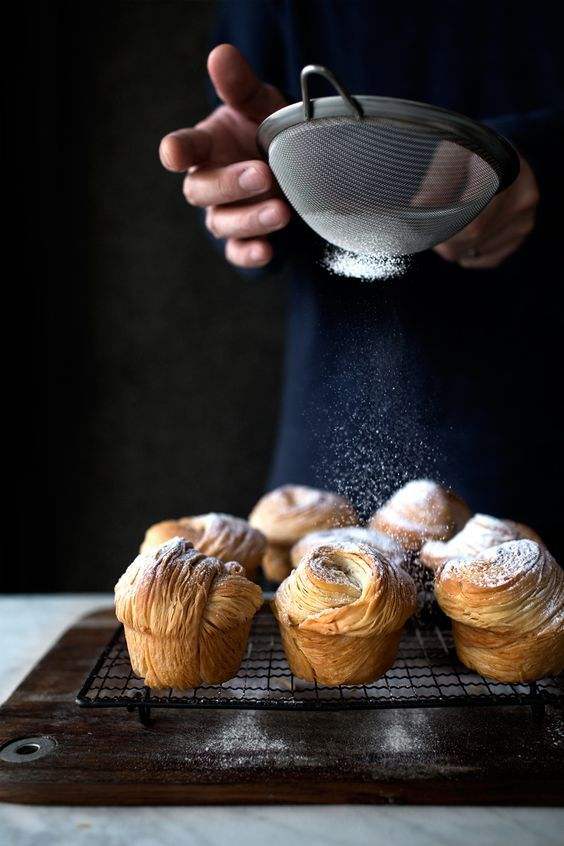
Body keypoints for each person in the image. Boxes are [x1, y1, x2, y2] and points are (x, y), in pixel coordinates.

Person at [159, 2, 563, 553]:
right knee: (325, 599)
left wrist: (542, 166)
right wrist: (249, 183)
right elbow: (242, 146)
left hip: (545, 419)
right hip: (330, 451)